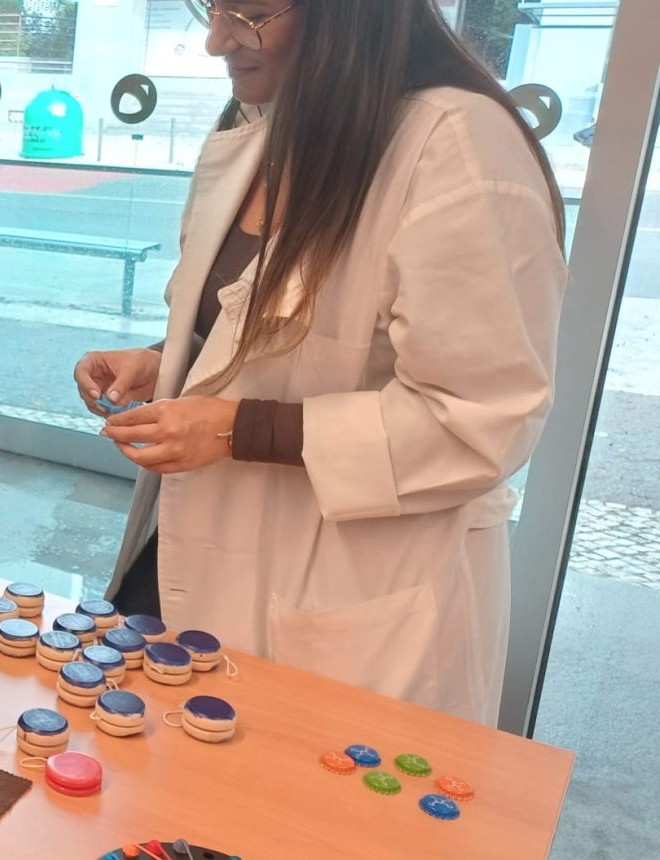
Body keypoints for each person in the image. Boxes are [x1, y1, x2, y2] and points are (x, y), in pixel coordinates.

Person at [73, 0, 565, 725]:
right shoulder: (270, 124)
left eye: (251, 14)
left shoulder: (457, 146)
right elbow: (266, 328)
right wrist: (170, 360)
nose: (217, 42)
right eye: (212, 8)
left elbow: (479, 422)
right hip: (202, 563)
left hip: (356, 591)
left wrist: (237, 428)